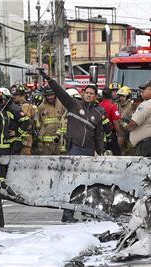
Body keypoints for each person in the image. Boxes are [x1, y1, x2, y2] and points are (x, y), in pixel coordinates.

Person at [39, 70, 104, 223]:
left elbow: (99, 136)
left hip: (89, 151)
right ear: (83, 94)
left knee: (86, 183)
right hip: (74, 149)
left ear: (95, 96)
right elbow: (60, 93)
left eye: (91, 93)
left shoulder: (98, 114)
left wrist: (101, 151)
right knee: (72, 182)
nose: (88, 95)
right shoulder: (74, 105)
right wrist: (49, 79)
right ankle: (67, 215)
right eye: (86, 93)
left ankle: (87, 212)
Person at [127, 80, 151, 157]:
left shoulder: (147, 104)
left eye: (144, 89)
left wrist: (127, 126)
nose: (142, 91)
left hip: (147, 145)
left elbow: (132, 124)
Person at [36, 87, 66, 155]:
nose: (49, 97)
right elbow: (38, 122)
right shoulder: (41, 106)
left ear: (55, 95)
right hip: (46, 143)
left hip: (60, 140)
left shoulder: (62, 104)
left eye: (51, 95)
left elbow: (66, 120)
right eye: (47, 95)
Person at [99, 88, 122, 155]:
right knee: (115, 154)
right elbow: (115, 122)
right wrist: (119, 135)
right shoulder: (112, 106)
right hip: (110, 135)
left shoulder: (98, 105)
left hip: (100, 135)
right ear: (111, 95)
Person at [117, 86, 133, 155]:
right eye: (120, 96)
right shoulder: (118, 105)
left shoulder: (132, 105)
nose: (121, 98)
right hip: (120, 131)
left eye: (123, 96)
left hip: (130, 132)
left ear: (128, 96)